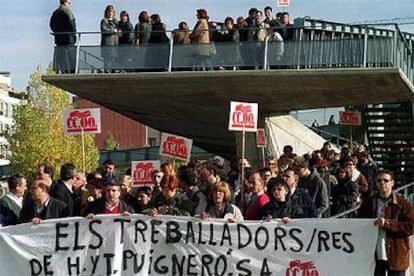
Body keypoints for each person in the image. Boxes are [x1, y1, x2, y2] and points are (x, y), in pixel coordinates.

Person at [358, 170, 414, 276]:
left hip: (396, 254)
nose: (382, 183)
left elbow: (411, 227)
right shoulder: (368, 204)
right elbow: (359, 224)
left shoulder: (403, 204)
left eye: (386, 180)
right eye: (379, 180)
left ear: (392, 183)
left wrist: (388, 224)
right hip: (374, 255)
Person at [50, 0, 77, 73]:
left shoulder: (55, 13)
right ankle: (72, 72)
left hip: (59, 39)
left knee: (61, 58)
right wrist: (73, 34)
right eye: (69, 2)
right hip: (69, 39)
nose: (69, 4)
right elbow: (72, 24)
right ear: (65, 2)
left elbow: (51, 25)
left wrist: (57, 32)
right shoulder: (67, 11)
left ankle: (63, 71)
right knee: (72, 58)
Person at [100, 5, 120, 73]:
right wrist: (113, 30)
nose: (110, 13)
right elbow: (104, 30)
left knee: (114, 63)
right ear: (106, 12)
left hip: (115, 45)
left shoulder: (116, 21)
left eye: (112, 11)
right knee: (108, 63)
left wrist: (119, 32)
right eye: (109, 11)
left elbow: (119, 31)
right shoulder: (104, 21)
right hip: (107, 45)